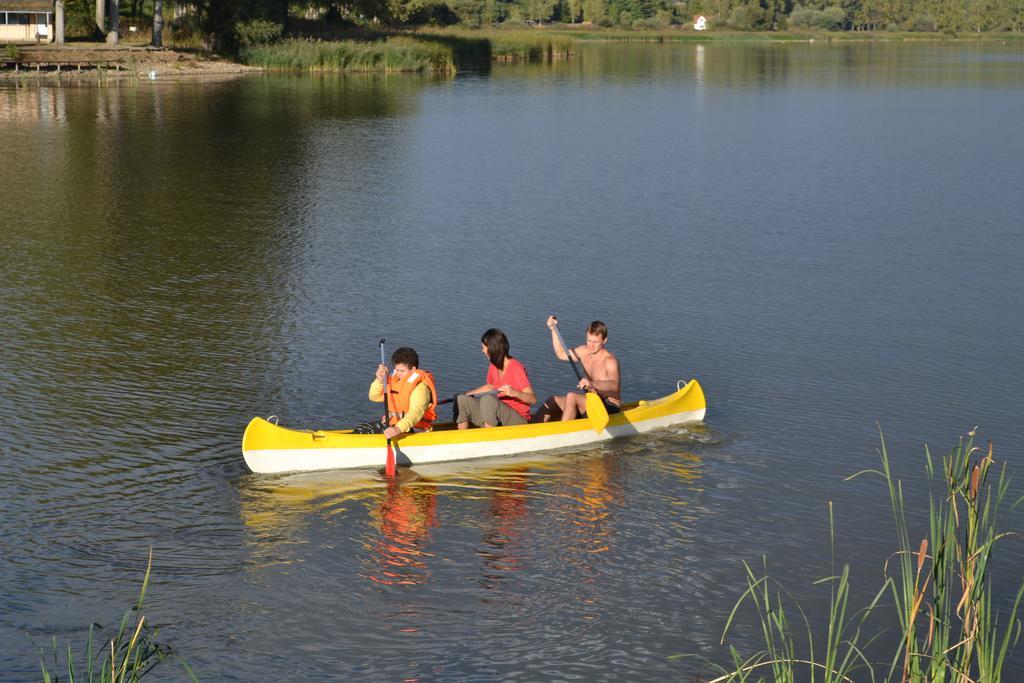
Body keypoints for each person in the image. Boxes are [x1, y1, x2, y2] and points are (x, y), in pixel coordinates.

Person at [532, 316, 621, 422]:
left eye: (595, 342)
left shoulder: (610, 360)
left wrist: (592, 383)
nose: (591, 346)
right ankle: (529, 429)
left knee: (572, 396)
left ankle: (563, 433)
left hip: (608, 405)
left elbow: (614, 385)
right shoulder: (584, 351)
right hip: (591, 401)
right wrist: (554, 329)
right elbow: (561, 354)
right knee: (553, 401)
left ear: (604, 340)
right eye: (589, 341)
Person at [456, 328, 536, 429]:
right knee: (462, 400)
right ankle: (463, 440)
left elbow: (532, 399)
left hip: (518, 420)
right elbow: (490, 387)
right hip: (497, 415)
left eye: (484, 347)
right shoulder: (494, 366)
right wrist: (467, 394)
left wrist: (515, 393)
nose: (483, 351)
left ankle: (489, 439)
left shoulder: (516, 368)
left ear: (493, 348)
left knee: (488, 400)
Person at [362, 347, 438, 439]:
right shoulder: (395, 381)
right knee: (363, 429)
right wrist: (380, 381)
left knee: (370, 431)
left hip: (414, 428)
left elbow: (415, 413)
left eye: (401, 371)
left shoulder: (420, 387)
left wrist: (398, 429)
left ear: (413, 369)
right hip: (394, 424)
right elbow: (374, 397)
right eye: (396, 370)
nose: (397, 373)